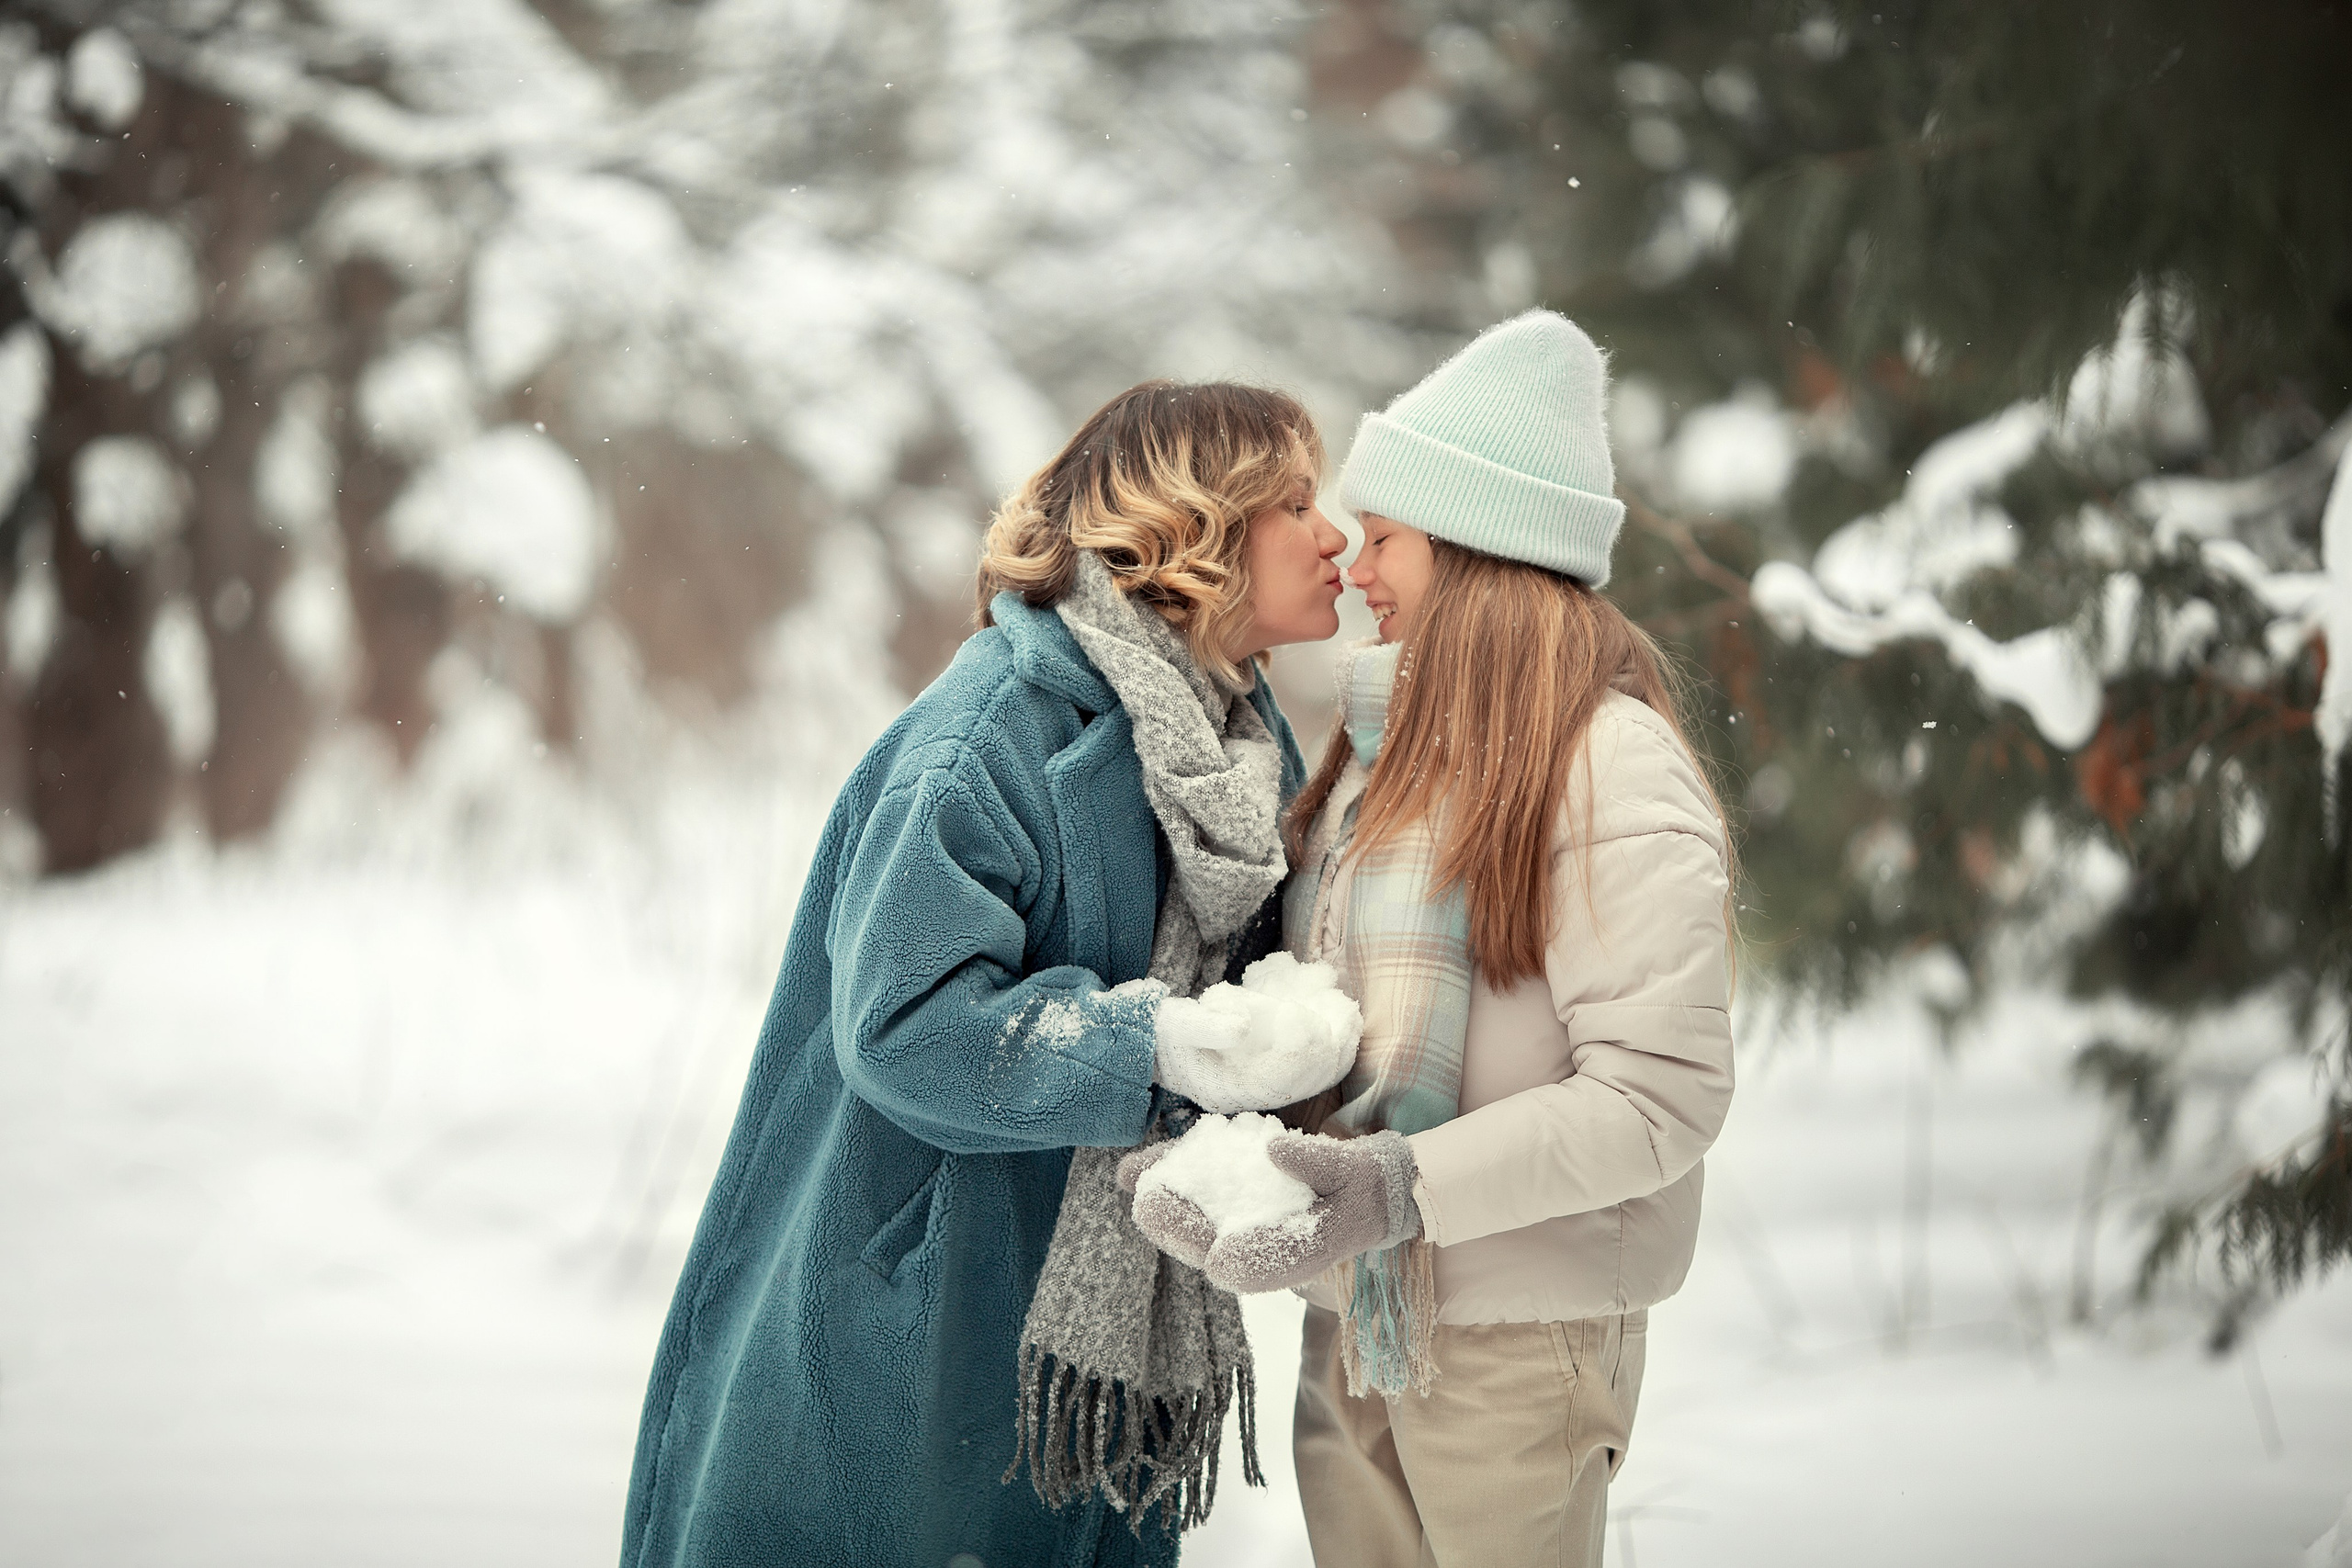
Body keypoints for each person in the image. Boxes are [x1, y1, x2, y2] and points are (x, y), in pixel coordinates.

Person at [619, 381, 1353, 1568]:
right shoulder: (988, 741)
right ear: (1193, 528)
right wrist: (1159, 1048)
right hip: (918, 1305)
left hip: (1094, 1340)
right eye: (1297, 506)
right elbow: (908, 1029)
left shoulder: (1234, 745)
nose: (1337, 538)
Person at [1128, 311, 1737, 1568]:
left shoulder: (1608, 766)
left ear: (1473, 550)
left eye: (1388, 535)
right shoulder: (1380, 760)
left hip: (1517, 1340)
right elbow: (1335, 1034)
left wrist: (1402, 1187)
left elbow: (1659, 1097)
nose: (1351, 561)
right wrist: (1227, 1150)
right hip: (1355, 1317)